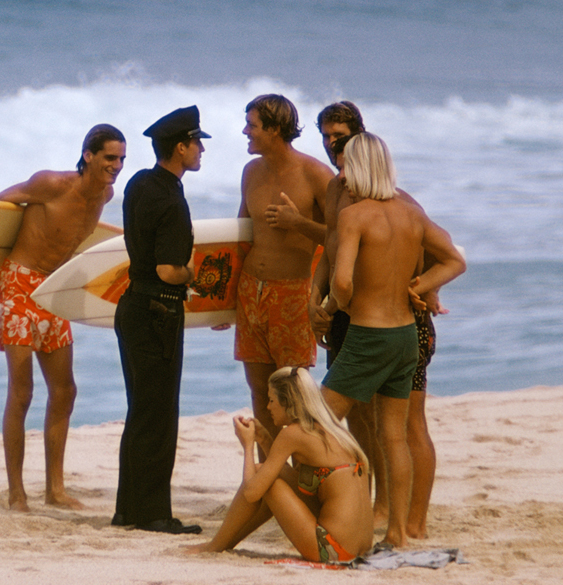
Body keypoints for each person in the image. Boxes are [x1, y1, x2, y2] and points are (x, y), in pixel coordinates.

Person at [318, 132, 465, 549]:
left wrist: (330, 309)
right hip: (405, 337)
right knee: (394, 437)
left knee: (316, 423)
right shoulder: (411, 214)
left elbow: (342, 282)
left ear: (361, 169)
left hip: (368, 336)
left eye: (347, 167)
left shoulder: (354, 216)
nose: (342, 176)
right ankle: (397, 533)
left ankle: (336, 514)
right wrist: (418, 286)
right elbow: (455, 260)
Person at [0, 124, 127, 511]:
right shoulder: (50, 184)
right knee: (22, 392)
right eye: (110, 158)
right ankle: (17, 492)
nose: (117, 166)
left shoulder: (105, 195)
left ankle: (55, 490)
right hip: (18, 283)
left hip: (52, 289)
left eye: (121, 159)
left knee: (64, 391)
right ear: (88, 155)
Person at [112, 105, 208, 535]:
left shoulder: (139, 183)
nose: (201, 150)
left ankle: (128, 510)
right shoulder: (171, 199)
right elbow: (169, 270)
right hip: (160, 311)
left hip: (132, 305)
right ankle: (153, 513)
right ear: (181, 147)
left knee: (140, 411)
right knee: (159, 415)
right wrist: (194, 275)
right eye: (197, 143)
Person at [185, 367, 373, 563]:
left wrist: (248, 445)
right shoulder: (332, 429)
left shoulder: (293, 433)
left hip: (333, 551)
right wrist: (265, 440)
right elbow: (286, 478)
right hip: (361, 549)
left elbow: (251, 493)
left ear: (288, 403)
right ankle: (223, 544)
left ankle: (215, 546)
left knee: (265, 480)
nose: (268, 407)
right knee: (268, 477)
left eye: (272, 400)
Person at [232, 94, 333, 448]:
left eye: (252, 126)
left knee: (292, 394)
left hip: (292, 294)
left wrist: (298, 223)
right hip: (250, 292)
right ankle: (270, 471)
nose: (245, 131)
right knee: (260, 392)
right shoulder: (251, 172)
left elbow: (343, 235)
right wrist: (222, 299)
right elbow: (242, 237)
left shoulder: (315, 174)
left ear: (275, 129)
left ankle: (304, 467)